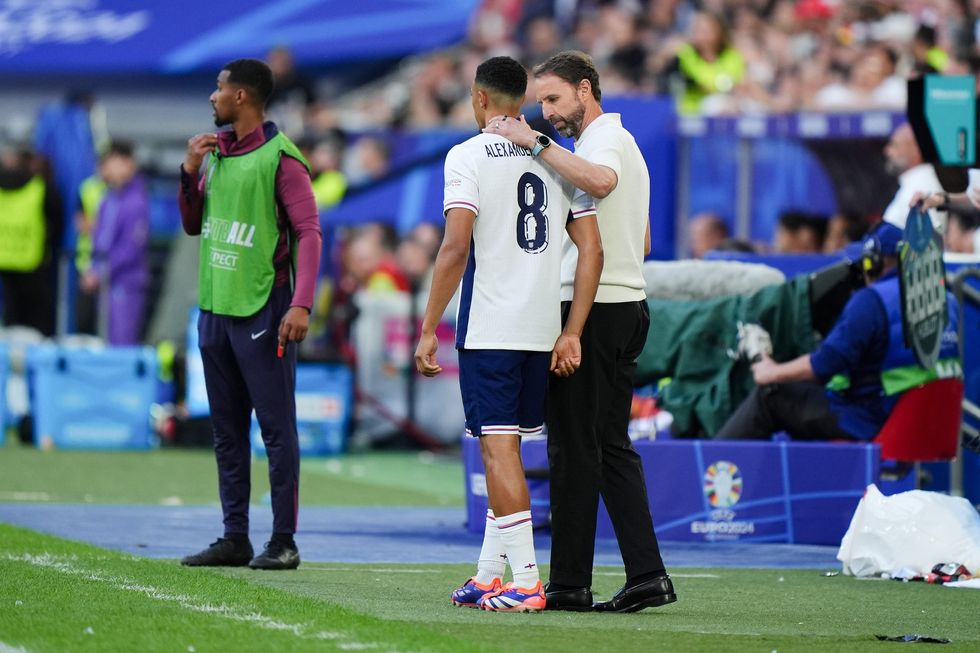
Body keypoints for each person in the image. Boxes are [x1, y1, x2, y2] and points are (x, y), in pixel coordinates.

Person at [414, 55, 602, 612]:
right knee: (509, 451)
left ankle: (525, 581)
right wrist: (572, 329)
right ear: (521, 98)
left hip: (492, 325)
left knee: (498, 454)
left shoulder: (465, 155)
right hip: (542, 326)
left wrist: (429, 329)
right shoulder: (554, 155)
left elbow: (454, 246)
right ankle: (489, 573)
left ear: (478, 97)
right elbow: (591, 247)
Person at [490, 50, 675, 613]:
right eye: (540, 103)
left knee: (574, 449)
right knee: (610, 448)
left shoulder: (601, 144)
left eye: (553, 99)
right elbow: (640, 240)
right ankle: (646, 574)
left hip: (591, 312)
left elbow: (598, 180)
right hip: (625, 305)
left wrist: (534, 145)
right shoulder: (621, 141)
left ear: (586, 89)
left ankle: (570, 583)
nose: (545, 113)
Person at [177, 59, 322, 570]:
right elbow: (195, 225)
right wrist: (189, 171)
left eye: (218, 88)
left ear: (241, 97)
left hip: (265, 307)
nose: (212, 97)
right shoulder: (215, 156)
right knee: (225, 430)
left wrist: (302, 302)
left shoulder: (282, 159)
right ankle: (234, 536)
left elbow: (309, 232)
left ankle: (283, 540)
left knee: (276, 429)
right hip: (216, 308)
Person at [716, 222, 960, 442]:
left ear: (872, 262)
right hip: (927, 423)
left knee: (772, 396)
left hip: (871, 418)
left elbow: (824, 365)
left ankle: (707, 473)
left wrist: (772, 371)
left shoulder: (872, 300)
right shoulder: (947, 299)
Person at [80, 141, 150, 345]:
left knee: (121, 343)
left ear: (127, 163)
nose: (105, 167)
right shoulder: (107, 198)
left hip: (124, 284)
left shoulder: (136, 201)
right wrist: (91, 269)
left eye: (111, 161)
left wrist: (99, 272)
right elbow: (98, 240)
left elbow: (130, 249)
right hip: (104, 285)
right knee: (104, 341)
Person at [0, 144, 63, 336]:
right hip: (33, 260)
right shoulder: (41, 188)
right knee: (37, 320)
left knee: (10, 316)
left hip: (4, 257)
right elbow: (57, 223)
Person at [881, 123, 943, 229]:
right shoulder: (913, 181)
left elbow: (928, 238)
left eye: (895, 145)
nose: (887, 151)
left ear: (917, 149)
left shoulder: (922, 183)